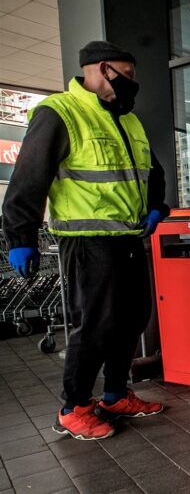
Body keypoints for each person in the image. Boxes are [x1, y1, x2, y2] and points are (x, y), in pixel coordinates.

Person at [2, 41, 170, 440]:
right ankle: (73, 406)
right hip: (87, 241)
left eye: (133, 76)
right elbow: (28, 178)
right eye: (124, 75)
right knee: (95, 324)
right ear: (98, 69)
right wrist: (20, 236)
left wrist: (156, 208)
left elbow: (154, 173)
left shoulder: (128, 121)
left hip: (128, 238)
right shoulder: (59, 112)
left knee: (132, 317)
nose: (131, 84)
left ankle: (114, 394)